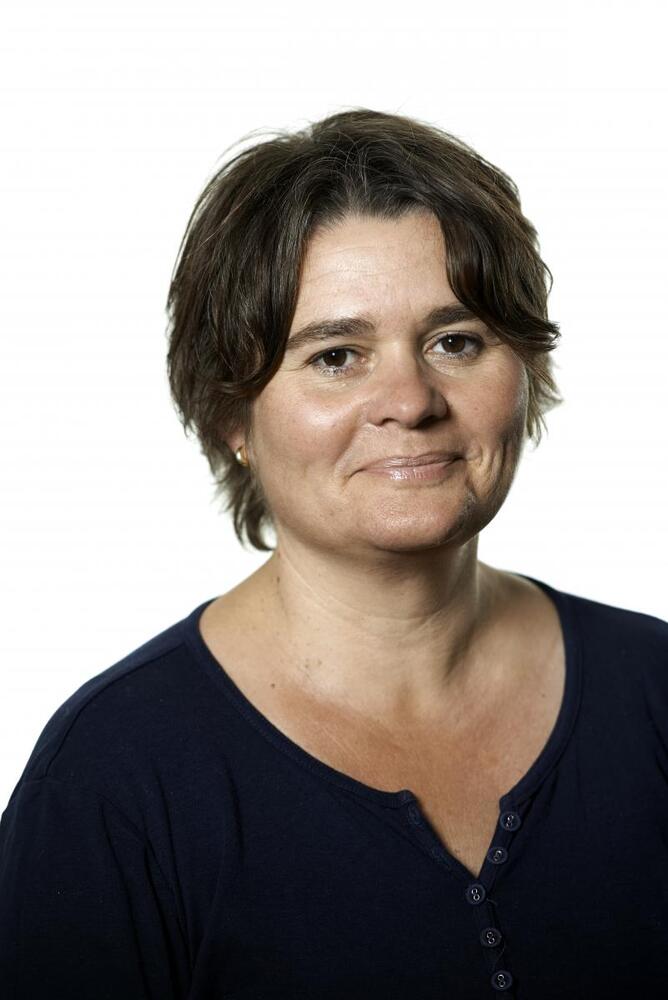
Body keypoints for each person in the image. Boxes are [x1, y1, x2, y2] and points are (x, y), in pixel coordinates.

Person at [1, 107, 666, 999]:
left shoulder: (653, 687)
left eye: (456, 341)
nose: (411, 401)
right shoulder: (111, 779)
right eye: (337, 356)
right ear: (231, 414)